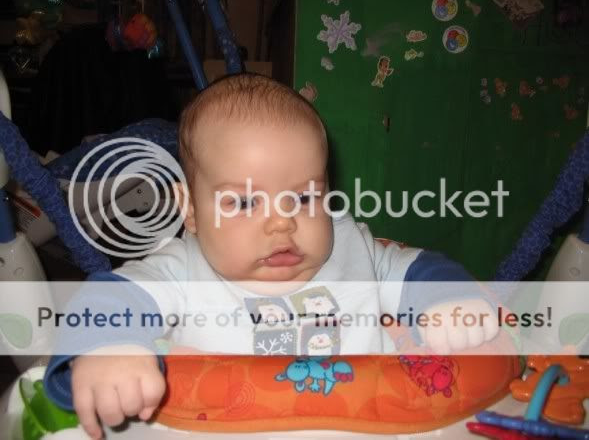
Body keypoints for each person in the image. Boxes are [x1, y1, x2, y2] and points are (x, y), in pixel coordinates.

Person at [44, 74, 497, 439]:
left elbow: (416, 268)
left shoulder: (351, 248)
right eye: (243, 203)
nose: (282, 223)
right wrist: (108, 349)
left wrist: (448, 302)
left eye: (303, 198)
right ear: (191, 211)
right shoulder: (181, 269)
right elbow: (112, 299)